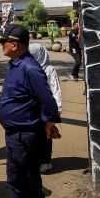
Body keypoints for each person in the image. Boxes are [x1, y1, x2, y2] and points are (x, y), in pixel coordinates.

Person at [0, 24, 60, 198]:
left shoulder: (31, 68)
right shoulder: (16, 64)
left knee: (32, 187)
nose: (1, 45)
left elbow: (48, 100)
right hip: (15, 136)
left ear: (15, 44)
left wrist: (49, 122)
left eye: (3, 42)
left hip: (27, 137)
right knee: (15, 180)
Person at [29, 44, 63, 174]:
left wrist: (57, 109)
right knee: (33, 134)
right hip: (31, 108)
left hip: (46, 108)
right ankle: (36, 160)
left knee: (46, 134)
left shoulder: (49, 69)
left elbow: (56, 89)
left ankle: (46, 161)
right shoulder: (28, 68)